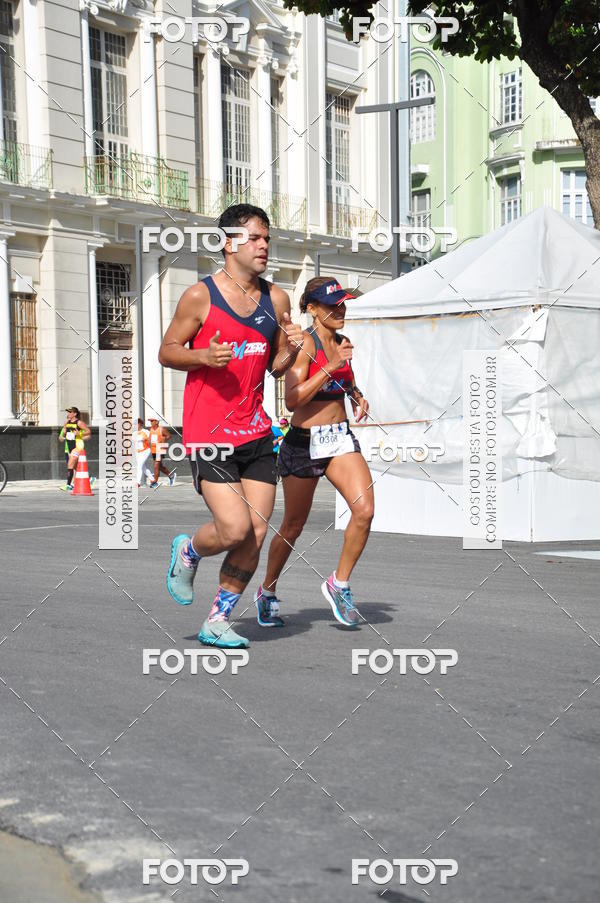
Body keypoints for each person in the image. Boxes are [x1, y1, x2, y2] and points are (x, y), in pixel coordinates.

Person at [158, 203, 304, 648]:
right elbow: (167, 350)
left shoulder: (276, 299)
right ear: (229, 242)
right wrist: (202, 356)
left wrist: (293, 350)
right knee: (235, 528)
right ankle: (189, 550)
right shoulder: (200, 296)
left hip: (257, 431)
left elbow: (277, 367)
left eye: (267, 239)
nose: (264, 246)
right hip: (209, 433)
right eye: (256, 238)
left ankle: (217, 620)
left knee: (257, 531)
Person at [254, 277, 373, 628]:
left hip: (339, 438)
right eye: (333, 305)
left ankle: (339, 583)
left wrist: (356, 395)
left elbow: (345, 381)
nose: (341, 310)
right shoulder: (304, 344)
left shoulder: (343, 342)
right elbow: (292, 399)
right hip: (303, 443)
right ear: (312, 308)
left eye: (343, 303)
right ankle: (267, 590)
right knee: (292, 526)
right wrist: (331, 367)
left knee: (364, 510)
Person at [58, 406, 91, 492]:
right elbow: (64, 435)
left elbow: (88, 431)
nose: (68, 413)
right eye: (68, 412)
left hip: (78, 446)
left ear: (75, 414)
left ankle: (68, 485)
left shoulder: (79, 422)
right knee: (76, 466)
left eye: (70, 412)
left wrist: (79, 433)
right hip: (69, 446)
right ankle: (89, 479)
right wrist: (64, 431)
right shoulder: (67, 422)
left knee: (70, 465)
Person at [148, 417, 175, 487]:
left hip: (160, 449)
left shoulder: (161, 429)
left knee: (156, 466)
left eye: (152, 421)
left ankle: (155, 482)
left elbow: (169, 436)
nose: (151, 422)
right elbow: (150, 440)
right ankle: (171, 475)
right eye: (150, 421)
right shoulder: (151, 429)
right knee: (159, 467)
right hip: (154, 450)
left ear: (157, 422)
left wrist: (164, 438)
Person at [136, 418, 154, 487]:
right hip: (138, 452)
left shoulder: (145, 431)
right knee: (143, 467)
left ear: (140, 424)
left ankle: (138, 483)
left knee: (139, 466)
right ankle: (152, 480)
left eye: (137, 424)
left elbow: (153, 439)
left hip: (146, 451)